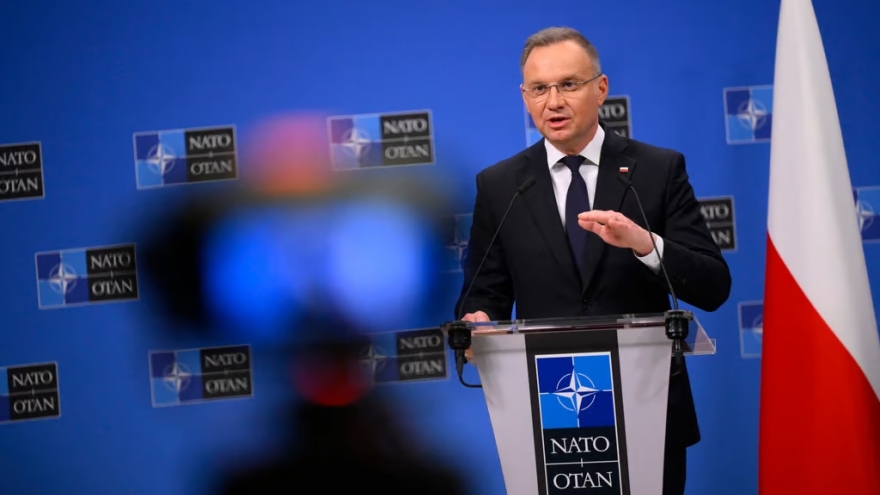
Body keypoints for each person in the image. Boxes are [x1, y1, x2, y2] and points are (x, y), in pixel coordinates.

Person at [454, 26, 731, 495]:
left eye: (568, 84)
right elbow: (484, 291)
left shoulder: (657, 170)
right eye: (539, 89)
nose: (553, 102)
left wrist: (645, 243)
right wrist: (477, 319)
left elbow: (713, 286)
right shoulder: (500, 186)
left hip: (646, 404)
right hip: (549, 409)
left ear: (600, 89)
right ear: (524, 97)